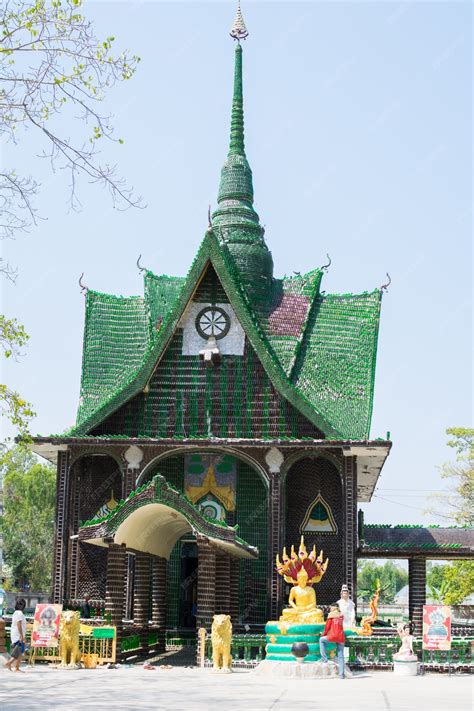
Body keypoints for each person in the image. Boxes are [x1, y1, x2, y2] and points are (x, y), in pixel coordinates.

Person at [319, 603, 346, 679]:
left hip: (333, 636)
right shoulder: (341, 615)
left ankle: (324, 659)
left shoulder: (331, 615)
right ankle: (341, 675)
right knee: (341, 656)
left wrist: (323, 634)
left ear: (334, 607)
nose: (330, 608)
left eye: (331, 607)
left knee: (321, 640)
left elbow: (327, 628)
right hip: (341, 637)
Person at [5, 598, 27, 673]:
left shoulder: (16, 613)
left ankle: (16, 667)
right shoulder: (19, 613)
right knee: (19, 651)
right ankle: (9, 664)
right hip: (18, 636)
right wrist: (21, 636)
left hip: (16, 635)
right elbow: (19, 624)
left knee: (20, 651)